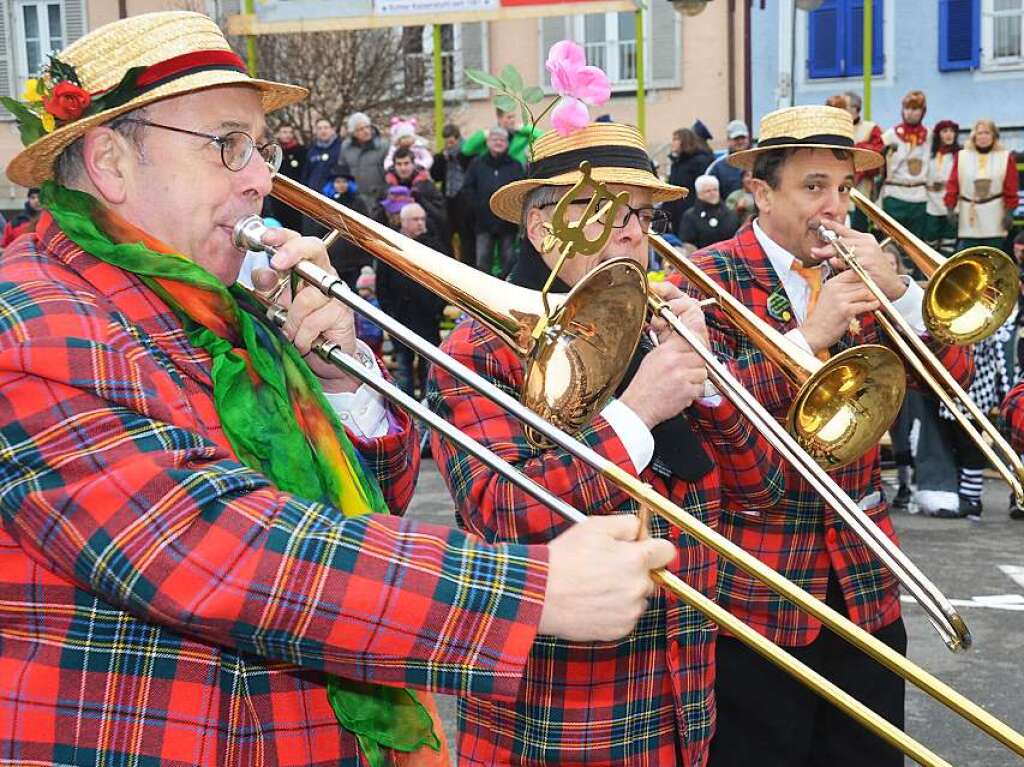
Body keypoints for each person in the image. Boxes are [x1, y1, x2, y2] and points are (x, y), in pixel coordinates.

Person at [0, 13, 678, 767]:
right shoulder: (27, 321)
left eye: (262, 148)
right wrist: (529, 590)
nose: (261, 178)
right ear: (110, 161)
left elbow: (366, 502)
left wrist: (340, 379)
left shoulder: (217, 302)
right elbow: (222, 551)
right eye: (228, 145)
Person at [428, 121, 786, 767]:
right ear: (541, 229)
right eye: (605, 213)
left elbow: (761, 488)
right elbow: (501, 509)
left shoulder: (658, 327)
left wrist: (707, 382)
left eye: (642, 215)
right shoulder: (480, 348)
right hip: (560, 712)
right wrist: (640, 411)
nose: (633, 232)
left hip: (682, 699)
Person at [683, 105, 972, 767]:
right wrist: (807, 339)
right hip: (761, 586)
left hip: (865, 581)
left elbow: (954, 384)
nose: (835, 207)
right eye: (814, 187)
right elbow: (706, 419)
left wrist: (900, 294)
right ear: (761, 191)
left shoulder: (867, 275)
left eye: (844, 189)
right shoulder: (709, 275)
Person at [376, 203, 447, 399]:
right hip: (401, 318)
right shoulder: (390, 245)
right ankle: (406, 409)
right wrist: (390, 313)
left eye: (422, 219)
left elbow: (445, 282)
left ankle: (429, 410)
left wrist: (437, 309)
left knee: (429, 370)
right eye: (416, 220)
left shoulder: (434, 246)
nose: (421, 224)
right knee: (404, 370)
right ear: (404, 222)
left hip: (427, 318)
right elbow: (381, 285)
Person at [944, 118, 1019, 253]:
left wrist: (1009, 212)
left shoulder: (1004, 157)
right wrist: (950, 208)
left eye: (987, 133)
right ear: (974, 136)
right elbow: (953, 184)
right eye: (979, 133)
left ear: (994, 136)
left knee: (993, 253)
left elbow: (1011, 187)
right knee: (969, 254)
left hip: (994, 215)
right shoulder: (962, 156)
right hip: (969, 214)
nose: (983, 137)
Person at [462, 126, 524, 276]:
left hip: (507, 221)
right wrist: (477, 208)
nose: (498, 142)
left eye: (502, 140)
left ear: (507, 144)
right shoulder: (477, 164)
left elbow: (520, 190)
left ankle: (505, 290)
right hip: (483, 221)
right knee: (482, 262)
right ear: (488, 142)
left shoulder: (515, 165)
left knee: (509, 260)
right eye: (494, 139)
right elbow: (467, 188)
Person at [880, 91, 931, 255]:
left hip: (919, 194)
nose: (911, 113)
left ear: (923, 112)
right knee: (892, 240)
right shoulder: (890, 135)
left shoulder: (930, 135)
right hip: (895, 193)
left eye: (915, 109)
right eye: (907, 108)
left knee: (916, 244)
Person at [385, 146, 448, 245]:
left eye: (406, 163)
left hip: (426, 241)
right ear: (394, 165)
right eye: (399, 164)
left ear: (413, 164)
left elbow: (441, 217)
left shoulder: (427, 186)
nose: (403, 168)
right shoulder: (387, 188)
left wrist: (421, 200)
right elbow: (377, 219)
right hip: (395, 242)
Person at [431, 123, 475, 264]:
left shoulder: (468, 154)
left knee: (466, 237)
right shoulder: (442, 156)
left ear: (457, 138)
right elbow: (436, 176)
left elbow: (469, 170)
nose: (450, 144)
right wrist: (441, 159)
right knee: (446, 234)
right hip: (448, 200)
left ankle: (467, 264)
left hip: (464, 201)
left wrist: (458, 156)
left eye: (452, 141)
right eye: (447, 141)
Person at [841, 91, 883, 232]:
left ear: (855, 108)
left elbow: (877, 158)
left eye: (843, 106)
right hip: (836, 191)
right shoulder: (836, 128)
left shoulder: (871, 129)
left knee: (859, 232)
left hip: (861, 192)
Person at [663, 127, 716, 233]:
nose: (672, 143)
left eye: (675, 139)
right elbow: (672, 191)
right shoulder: (676, 164)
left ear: (684, 141)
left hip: (694, 218)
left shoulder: (699, 162)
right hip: (678, 218)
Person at [340, 111, 389, 217]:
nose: (366, 131)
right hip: (355, 199)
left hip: (379, 198)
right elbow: (342, 172)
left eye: (367, 127)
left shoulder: (384, 146)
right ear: (353, 132)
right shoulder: (346, 148)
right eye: (360, 129)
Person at [924, 119, 961, 255]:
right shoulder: (930, 153)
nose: (949, 135)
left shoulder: (959, 155)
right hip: (931, 201)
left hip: (951, 202)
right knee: (930, 237)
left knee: (949, 239)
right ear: (938, 134)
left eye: (952, 131)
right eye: (945, 131)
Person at [462, 106, 542, 165]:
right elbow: (466, 150)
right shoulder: (491, 137)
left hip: (517, 176)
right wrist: (483, 135)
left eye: (514, 116)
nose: (513, 120)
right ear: (499, 118)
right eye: (509, 117)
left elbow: (543, 137)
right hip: (493, 175)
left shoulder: (522, 135)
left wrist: (525, 128)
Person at [678, 174, 739, 249]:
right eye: (708, 191)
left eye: (715, 190)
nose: (712, 193)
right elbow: (687, 244)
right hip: (701, 258)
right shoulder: (690, 216)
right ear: (699, 194)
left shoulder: (730, 213)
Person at [267, 122, 305, 231]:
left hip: (295, 194)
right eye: (284, 132)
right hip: (277, 195)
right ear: (278, 134)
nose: (287, 135)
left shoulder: (300, 151)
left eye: (290, 132)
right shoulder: (273, 152)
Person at [705, 119, 750, 199]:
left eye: (742, 138)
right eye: (736, 139)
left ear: (748, 138)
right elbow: (707, 194)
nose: (740, 141)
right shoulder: (717, 167)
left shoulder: (758, 162)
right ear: (728, 140)